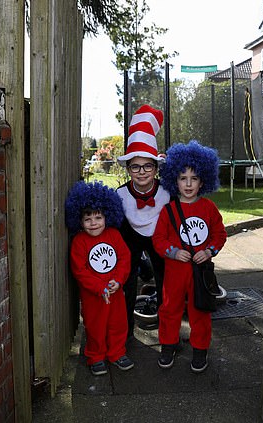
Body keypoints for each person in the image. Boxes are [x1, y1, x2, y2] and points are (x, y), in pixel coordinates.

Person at [152, 140, 227, 373]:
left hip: (199, 273)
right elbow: (158, 240)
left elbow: (220, 234)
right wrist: (173, 252)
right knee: (169, 308)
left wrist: (209, 251)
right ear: (174, 180)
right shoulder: (168, 211)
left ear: (202, 181)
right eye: (183, 178)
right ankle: (168, 345)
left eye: (193, 179)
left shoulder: (209, 208)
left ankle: (200, 349)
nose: (188, 184)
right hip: (175, 271)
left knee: (200, 311)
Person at [65, 181, 134, 376]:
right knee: (95, 326)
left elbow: (124, 259)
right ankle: (95, 356)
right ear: (79, 221)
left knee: (118, 323)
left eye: (98, 217)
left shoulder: (114, 235)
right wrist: (99, 287)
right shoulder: (79, 241)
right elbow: (80, 270)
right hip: (93, 296)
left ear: (107, 216)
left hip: (115, 291)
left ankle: (117, 353)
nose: (94, 223)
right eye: (88, 219)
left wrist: (118, 281)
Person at [116, 104, 170, 337]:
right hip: (130, 237)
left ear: (156, 167)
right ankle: (125, 330)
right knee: (127, 280)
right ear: (128, 169)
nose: (142, 171)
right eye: (135, 166)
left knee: (165, 278)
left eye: (148, 165)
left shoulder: (167, 193)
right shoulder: (120, 195)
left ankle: (167, 330)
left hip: (160, 236)